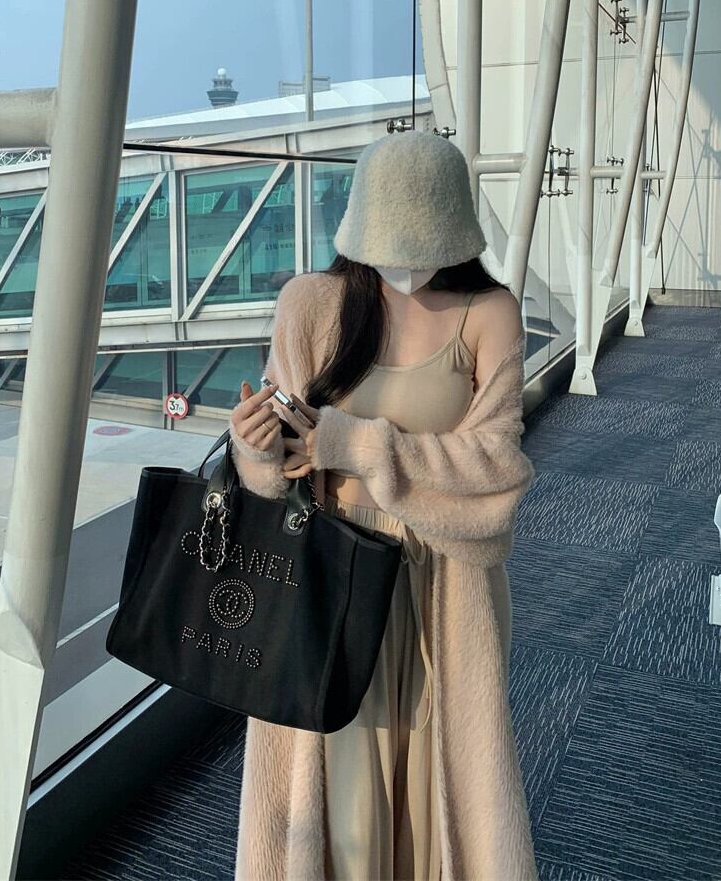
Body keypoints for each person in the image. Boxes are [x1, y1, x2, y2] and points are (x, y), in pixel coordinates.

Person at [228, 129, 538, 881]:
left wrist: (355, 445)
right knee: (339, 793)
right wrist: (255, 450)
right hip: (331, 573)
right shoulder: (311, 304)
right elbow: (276, 480)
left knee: (441, 788)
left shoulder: (489, 312)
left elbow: (498, 475)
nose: (403, 259)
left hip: (444, 587)